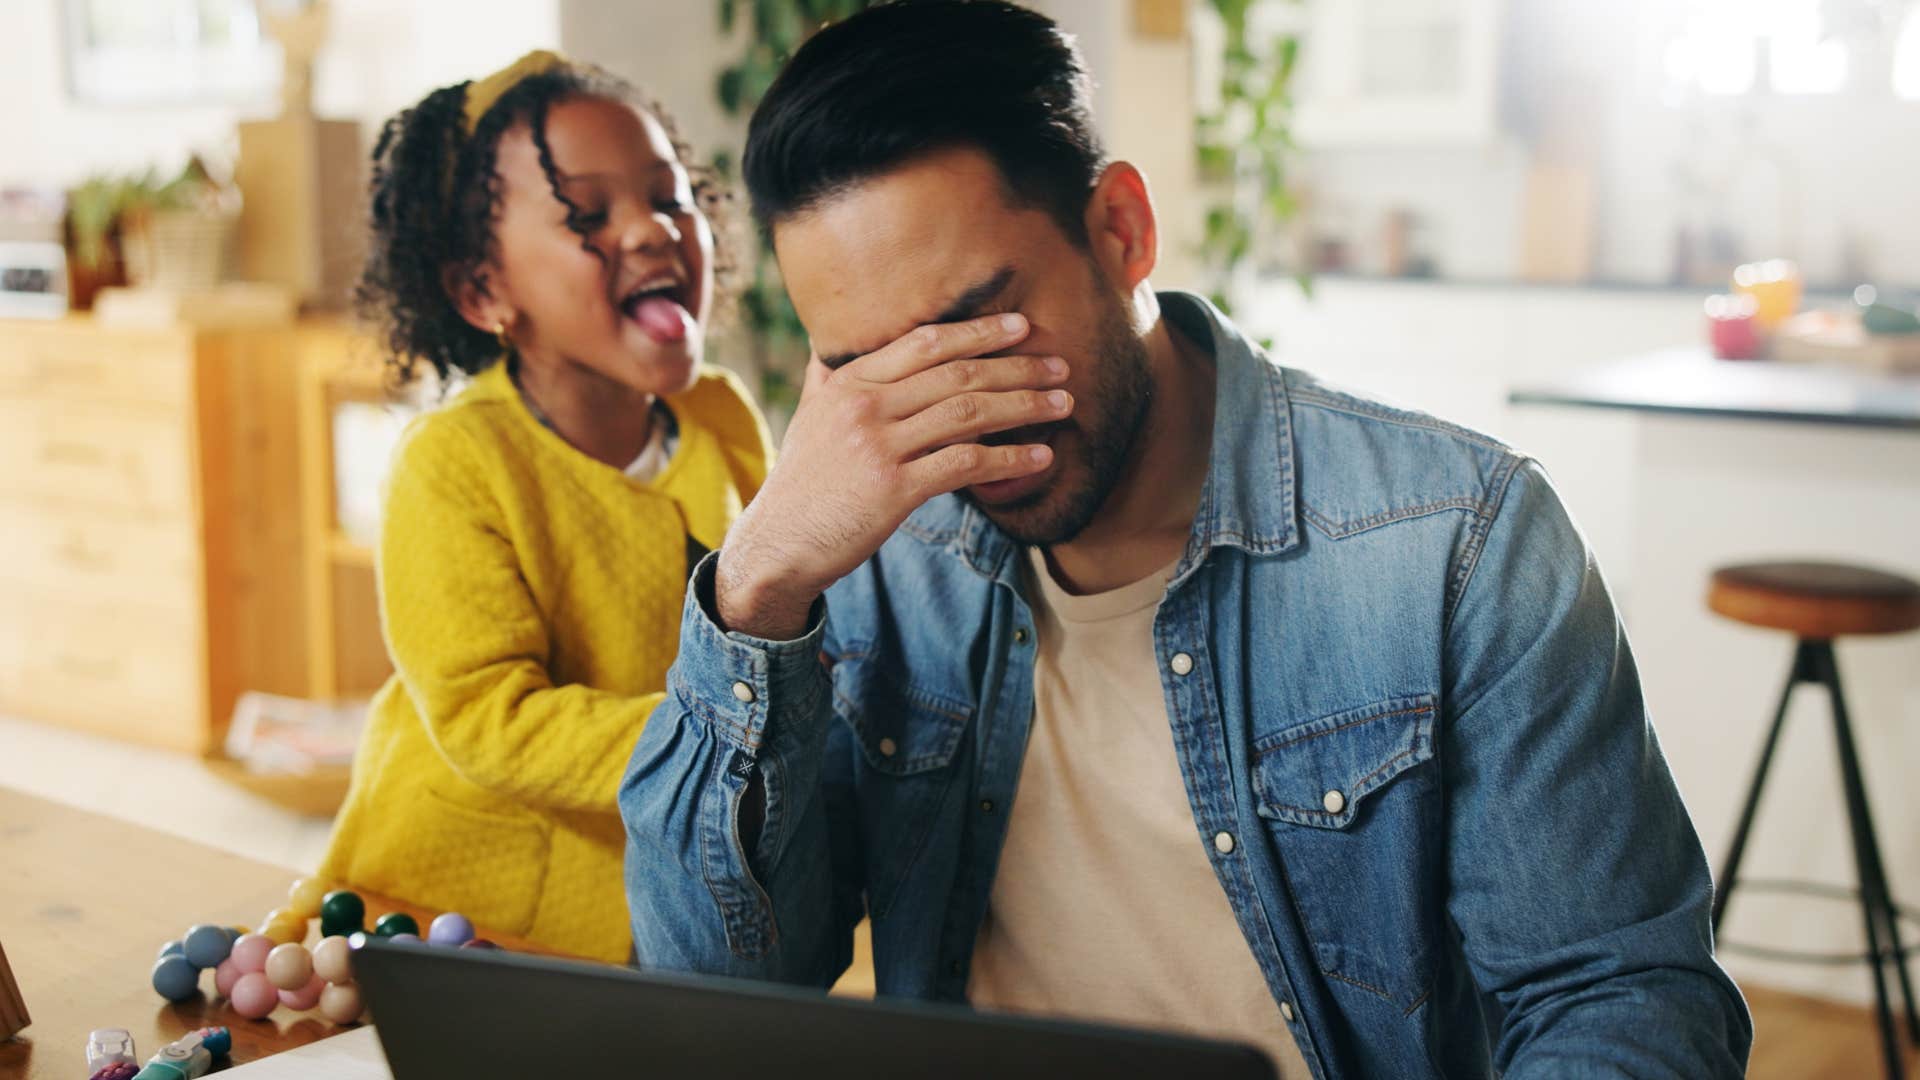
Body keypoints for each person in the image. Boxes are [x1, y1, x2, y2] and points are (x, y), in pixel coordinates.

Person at [620, 3, 1751, 1075]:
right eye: (874, 371)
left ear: (1122, 231)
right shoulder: (868, 562)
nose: (952, 413)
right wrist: (754, 586)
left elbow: (1618, 996)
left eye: (976, 327)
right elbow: (719, 989)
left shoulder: (1458, 542)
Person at [320, 50, 771, 962]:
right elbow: (490, 717)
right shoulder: (454, 462)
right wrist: (728, 739)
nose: (653, 230)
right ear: (484, 291)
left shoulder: (719, 414)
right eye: (588, 215)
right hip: (474, 912)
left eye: (670, 196)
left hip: (668, 888)